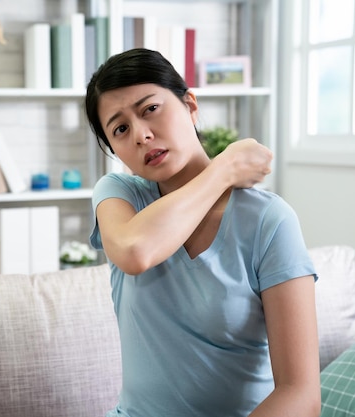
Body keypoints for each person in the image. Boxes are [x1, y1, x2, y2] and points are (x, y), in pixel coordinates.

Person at [85, 48, 320, 417]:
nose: (142, 135)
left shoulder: (269, 221)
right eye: (121, 129)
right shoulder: (120, 196)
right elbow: (135, 252)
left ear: (190, 105)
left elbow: (301, 394)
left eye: (150, 109)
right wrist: (224, 168)